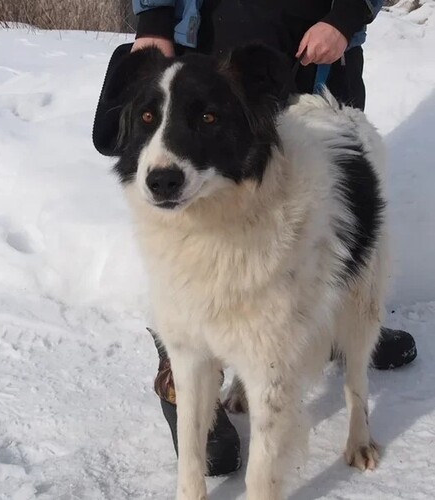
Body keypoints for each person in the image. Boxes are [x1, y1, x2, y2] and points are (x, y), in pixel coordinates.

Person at [93, 0, 418, 477]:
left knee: (306, 275)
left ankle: (340, 354)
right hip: (208, 40)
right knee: (190, 291)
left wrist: (346, 16)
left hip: (314, 46)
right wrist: (154, 17)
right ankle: (185, 388)